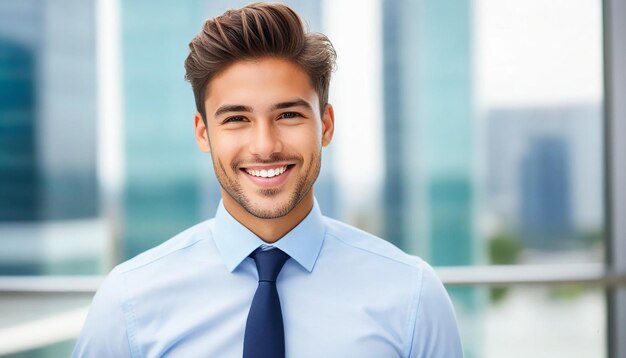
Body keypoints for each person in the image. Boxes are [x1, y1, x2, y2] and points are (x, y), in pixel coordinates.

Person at [73, 3, 463, 357]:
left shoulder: (413, 296)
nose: (265, 146)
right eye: (236, 119)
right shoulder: (128, 303)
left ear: (325, 125)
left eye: (288, 115)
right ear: (203, 133)